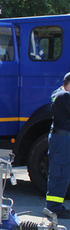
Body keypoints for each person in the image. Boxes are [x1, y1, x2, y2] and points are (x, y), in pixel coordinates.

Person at [45, 72, 70, 219]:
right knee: (60, 173)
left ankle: (55, 207)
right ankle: (54, 208)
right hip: (62, 139)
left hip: (60, 138)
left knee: (60, 172)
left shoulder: (58, 93)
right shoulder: (65, 96)